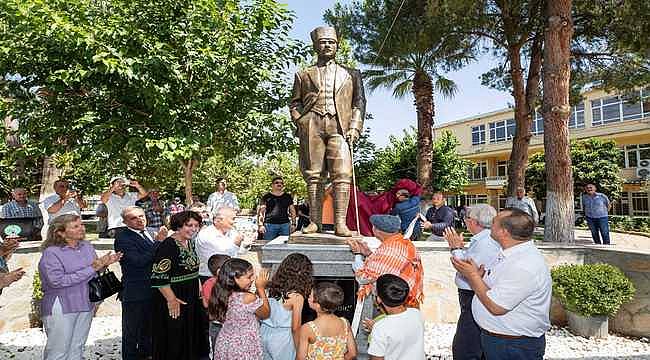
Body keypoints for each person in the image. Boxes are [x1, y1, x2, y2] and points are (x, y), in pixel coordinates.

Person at [290, 26, 366, 237]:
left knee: (342, 173)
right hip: (312, 124)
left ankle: (340, 223)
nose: (327, 46)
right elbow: (294, 103)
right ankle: (315, 222)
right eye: (322, 42)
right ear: (315, 45)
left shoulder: (351, 74)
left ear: (337, 45)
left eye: (331, 42)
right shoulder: (303, 74)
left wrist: (354, 127)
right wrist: (301, 122)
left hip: (339, 126)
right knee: (313, 175)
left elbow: (359, 102)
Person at [451, 208, 551, 360]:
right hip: (501, 340)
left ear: (504, 232)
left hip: (513, 345)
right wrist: (480, 277)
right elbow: (496, 288)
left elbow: (496, 307)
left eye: (494, 222)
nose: (489, 225)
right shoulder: (509, 254)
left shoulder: (524, 265)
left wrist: (472, 276)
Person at [38, 214, 122, 360]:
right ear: (60, 232)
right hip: (62, 306)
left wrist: (105, 263)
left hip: (86, 302)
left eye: (81, 224)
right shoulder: (51, 253)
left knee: (77, 348)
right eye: (75, 226)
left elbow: (94, 272)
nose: (82, 228)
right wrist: (93, 267)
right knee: (58, 352)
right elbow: (57, 281)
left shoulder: (87, 247)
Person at [443, 204, 501, 360]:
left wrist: (455, 248)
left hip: (474, 295)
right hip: (472, 294)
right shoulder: (483, 240)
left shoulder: (486, 242)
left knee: (466, 346)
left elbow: (467, 269)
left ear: (474, 222)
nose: (465, 221)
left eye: (467, 218)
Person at [150, 211, 209, 360]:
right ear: (179, 226)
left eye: (196, 225)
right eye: (189, 225)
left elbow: (194, 270)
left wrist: (200, 288)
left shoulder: (190, 242)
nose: (193, 229)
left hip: (192, 294)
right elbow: (159, 277)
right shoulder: (168, 245)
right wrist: (171, 300)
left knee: (191, 332)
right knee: (175, 334)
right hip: (174, 295)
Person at [114, 206, 166, 360]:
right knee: (132, 332)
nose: (139, 220)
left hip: (156, 290)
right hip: (135, 291)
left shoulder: (151, 231)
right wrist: (158, 243)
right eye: (133, 218)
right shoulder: (123, 237)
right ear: (125, 221)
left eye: (141, 216)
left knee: (150, 330)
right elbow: (138, 261)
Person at [347, 214, 424, 307]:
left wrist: (358, 254)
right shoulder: (403, 242)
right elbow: (386, 267)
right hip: (407, 299)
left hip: (397, 304)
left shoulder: (389, 250)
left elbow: (363, 278)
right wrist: (368, 253)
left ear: (377, 230)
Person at [210, 258, 271, 360]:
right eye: (249, 277)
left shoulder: (220, 293)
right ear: (235, 278)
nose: (253, 279)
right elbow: (265, 313)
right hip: (244, 346)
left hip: (225, 343)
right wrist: (261, 288)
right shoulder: (247, 298)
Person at [261, 253, 314, 360]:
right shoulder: (296, 296)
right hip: (283, 338)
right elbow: (295, 327)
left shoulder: (269, 287)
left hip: (264, 332)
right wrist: (299, 348)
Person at [366, 274, 425, 360]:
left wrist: (377, 331)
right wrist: (377, 330)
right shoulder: (417, 314)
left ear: (379, 299)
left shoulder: (381, 328)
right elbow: (402, 333)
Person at [296, 282, 357, 360]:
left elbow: (300, 358)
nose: (308, 298)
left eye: (310, 296)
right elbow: (352, 353)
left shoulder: (308, 328)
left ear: (318, 305)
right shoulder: (345, 323)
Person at [196, 207, 245, 283]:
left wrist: (246, 243)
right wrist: (236, 244)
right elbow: (218, 261)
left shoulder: (232, 232)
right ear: (219, 220)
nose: (234, 222)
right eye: (233, 219)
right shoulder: (206, 235)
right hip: (210, 277)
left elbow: (240, 252)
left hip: (229, 275)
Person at [201, 254, 232, 355]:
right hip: (228, 325)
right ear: (220, 271)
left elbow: (205, 304)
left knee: (217, 351)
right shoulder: (229, 285)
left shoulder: (207, 283)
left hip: (214, 324)